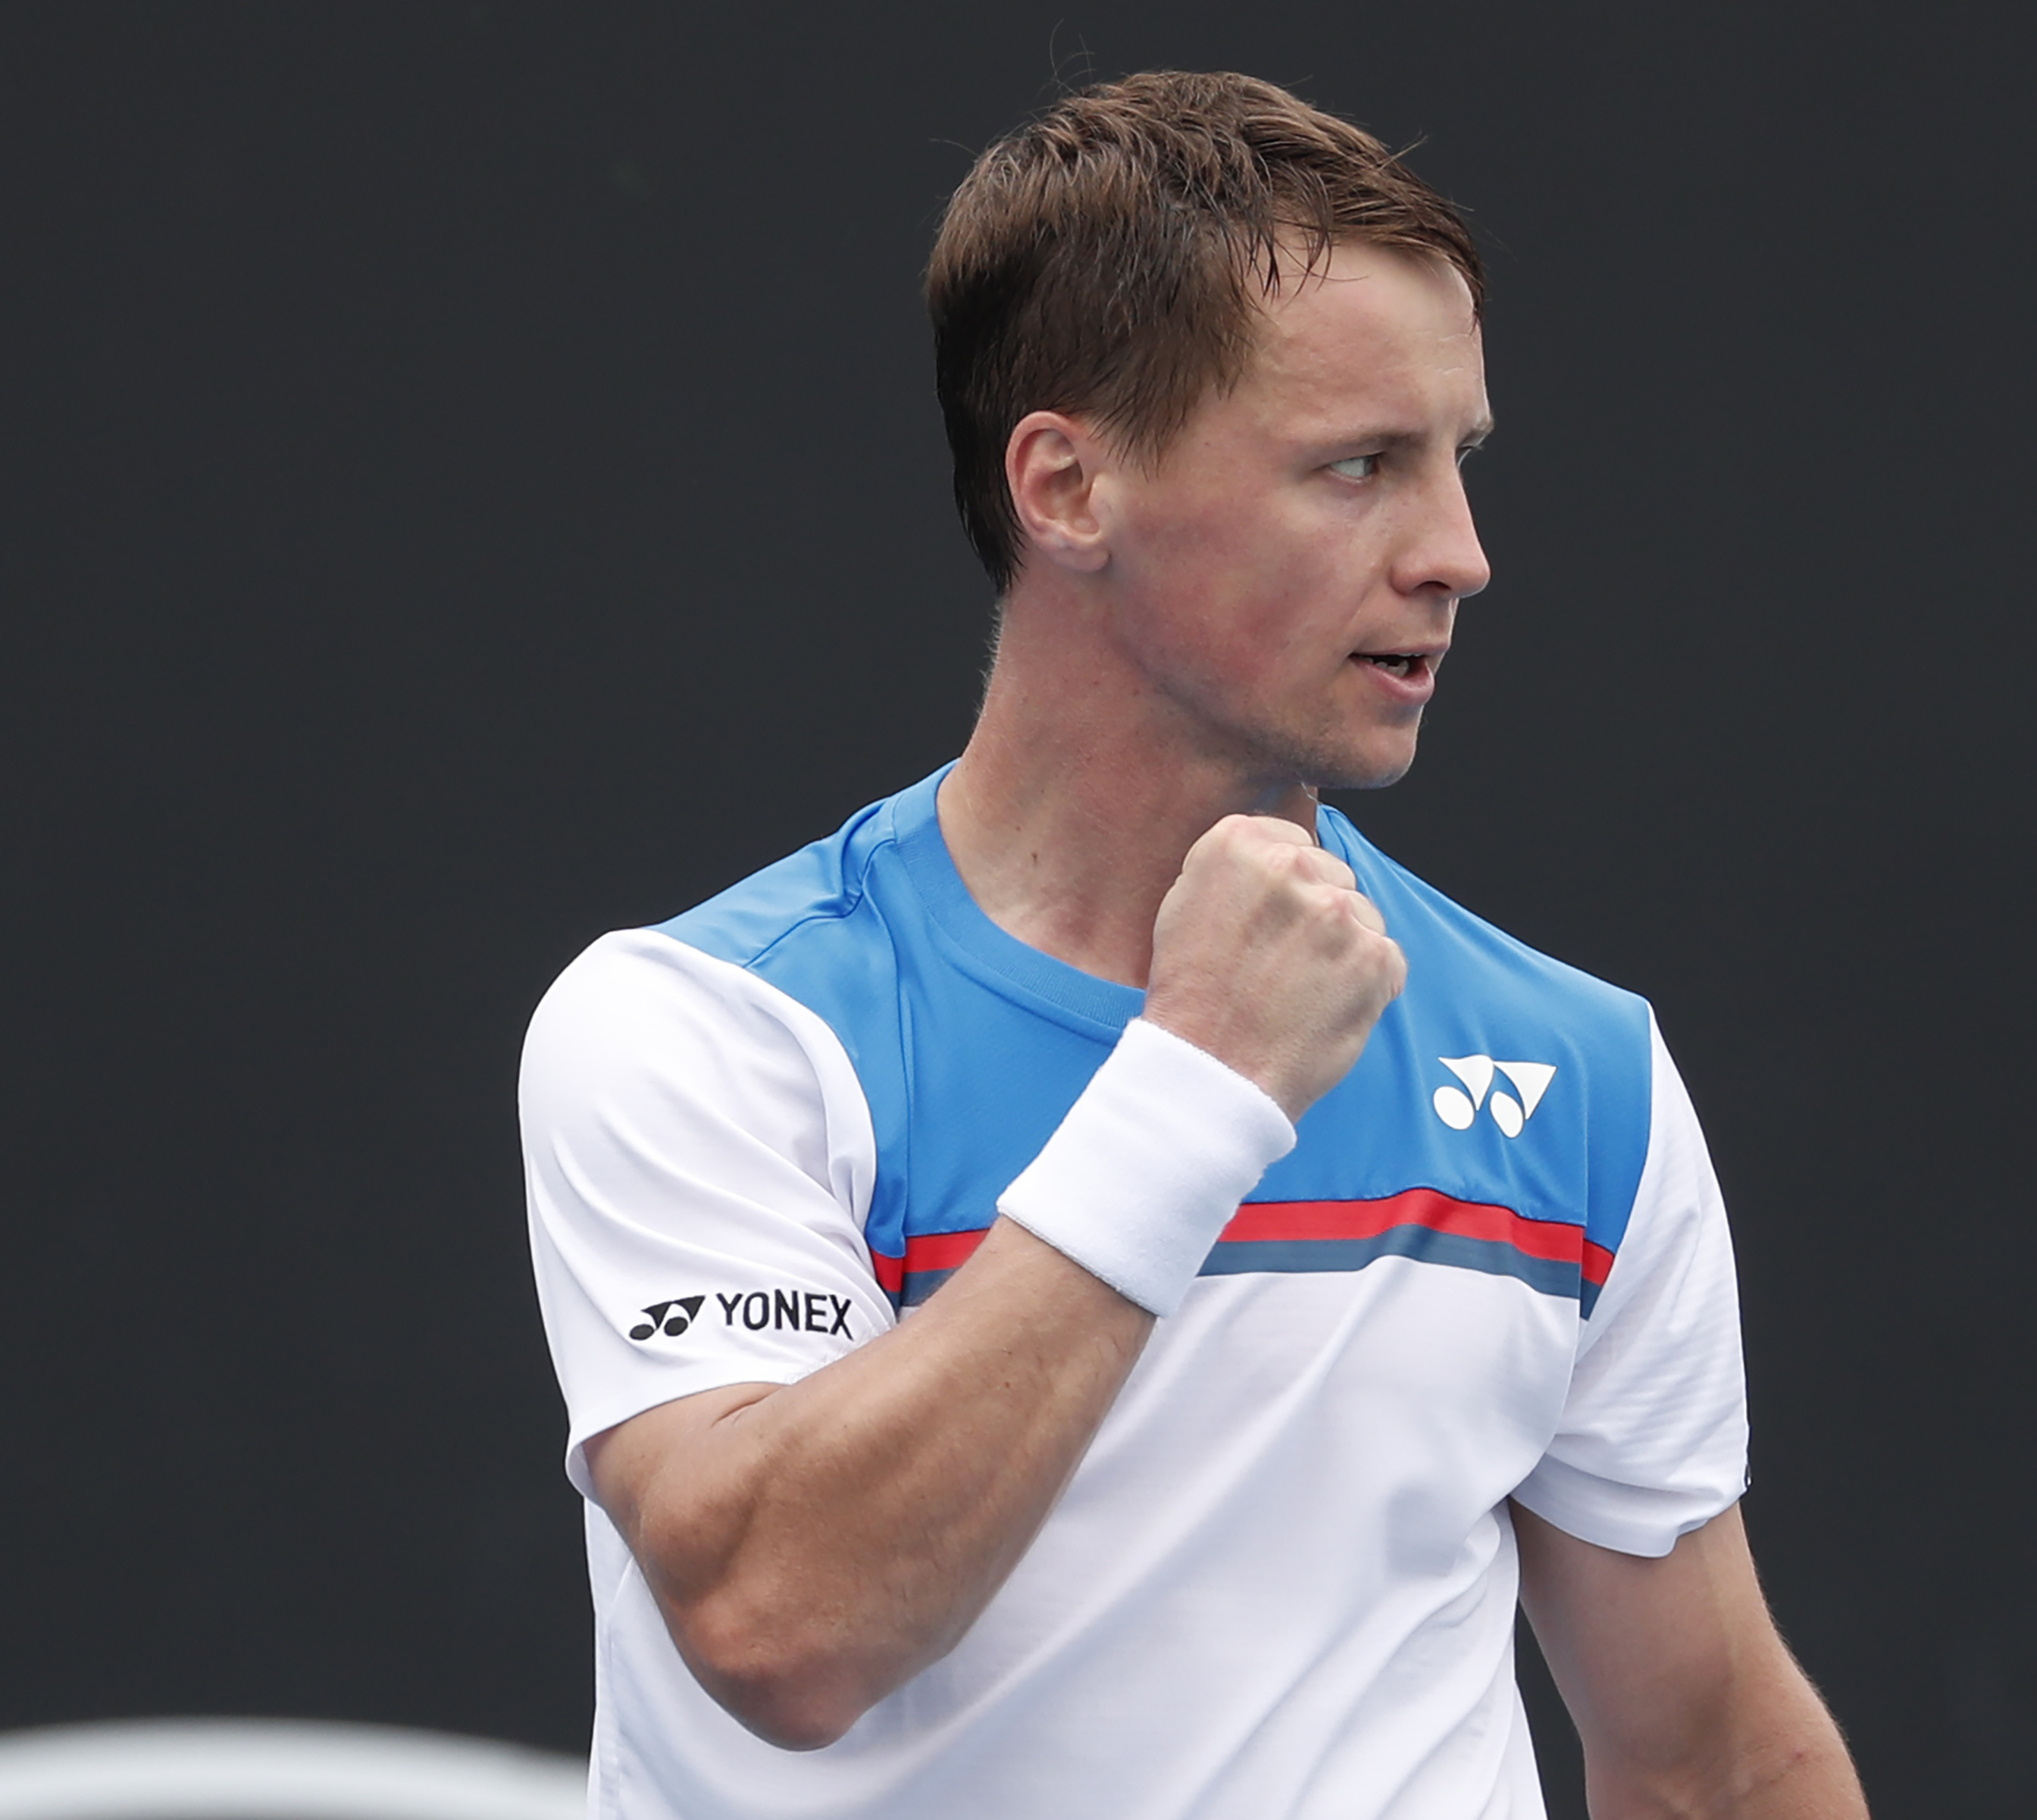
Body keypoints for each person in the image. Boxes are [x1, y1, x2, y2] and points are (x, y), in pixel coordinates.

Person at [522, 70, 1867, 1820]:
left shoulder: (1570, 1074)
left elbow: (1704, 1757)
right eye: (1358, 466)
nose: (1459, 554)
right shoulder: (707, 1029)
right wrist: (1197, 1084)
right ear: (1070, 487)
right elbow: (786, 1621)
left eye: (1457, 459)